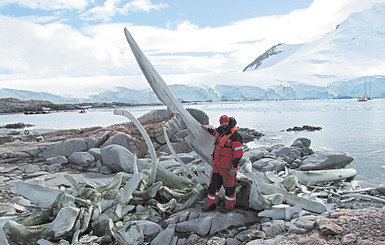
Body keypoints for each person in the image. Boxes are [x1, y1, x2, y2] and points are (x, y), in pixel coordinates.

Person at [201, 115, 243, 213]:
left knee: (229, 189)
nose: (223, 124)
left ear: (229, 122)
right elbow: (214, 132)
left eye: (225, 122)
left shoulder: (235, 136)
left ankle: (229, 207)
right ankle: (211, 205)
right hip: (217, 167)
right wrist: (207, 129)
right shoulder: (220, 133)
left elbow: (238, 153)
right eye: (221, 123)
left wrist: (234, 168)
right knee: (212, 187)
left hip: (228, 169)